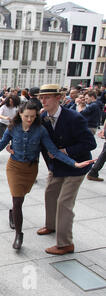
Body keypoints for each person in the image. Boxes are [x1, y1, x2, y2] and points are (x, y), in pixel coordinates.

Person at [0, 101, 93, 249]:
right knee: (17, 199)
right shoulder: (12, 128)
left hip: (31, 169)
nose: (29, 119)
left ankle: (13, 213)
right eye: (26, 116)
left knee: (21, 197)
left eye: (32, 117)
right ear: (19, 114)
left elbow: (54, 151)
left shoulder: (40, 130)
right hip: (14, 167)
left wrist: (74, 163)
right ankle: (18, 235)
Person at [37, 84, 97, 255]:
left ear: (58, 98)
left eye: (47, 97)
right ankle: (51, 225)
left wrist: (66, 151)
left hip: (76, 166)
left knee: (64, 202)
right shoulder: (43, 117)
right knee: (50, 193)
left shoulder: (74, 117)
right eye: (42, 97)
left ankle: (65, 244)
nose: (43, 100)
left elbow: (90, 143)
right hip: (57, 166)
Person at [0, 95, 20, 164]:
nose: (11, 103)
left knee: (14, 140)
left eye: (13, 102)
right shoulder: (4, 107)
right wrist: (5, 117)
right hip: (2, 125)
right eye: (10, 101)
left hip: (11, 125)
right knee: (3, 141)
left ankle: (15, 156)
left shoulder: (15, 108)